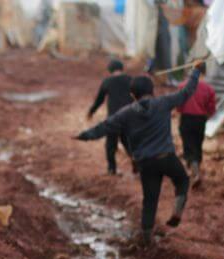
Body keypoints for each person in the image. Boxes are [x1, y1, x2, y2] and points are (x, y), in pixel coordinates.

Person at [74, 64, 204, 245]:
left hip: (145, 163)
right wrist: (196, 71)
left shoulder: (126, 113)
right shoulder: (163, 103)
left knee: (149, 200)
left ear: (132, 95)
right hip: (166, 157)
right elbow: (187, 92)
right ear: (152, 91)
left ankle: (146, 237)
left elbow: (104, 127)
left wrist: (84, 136)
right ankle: (177, 211)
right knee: (182, 180)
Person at [88, 59, 134, 175]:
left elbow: (100, 99)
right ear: (122, 68)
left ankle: (111, 169)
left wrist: (91, 111)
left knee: (110, 145)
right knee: (128, 143)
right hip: (128, 117)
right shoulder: (130, 80)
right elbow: (138, 96)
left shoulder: (107, 81)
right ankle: (137, 166)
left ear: (110, 70)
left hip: (114, 118)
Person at [176, 69, 216, 187]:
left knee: (188, 144)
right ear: (204, 73)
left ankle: (194, 169)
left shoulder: (183, 86)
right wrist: (207, 115)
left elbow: (178, 104)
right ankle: (195, 166)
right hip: (200, 120)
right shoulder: (209, 89)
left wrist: (181, 111)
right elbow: (212, 108)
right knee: (197, 144)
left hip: (186, 118)